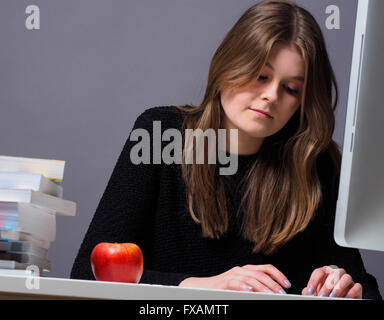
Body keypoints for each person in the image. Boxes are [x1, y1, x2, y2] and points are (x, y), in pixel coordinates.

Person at [70, 0, 382, 299]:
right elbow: (88, 274)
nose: (271, 96)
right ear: (228, 67)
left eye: (291, 89)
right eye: (261, 76)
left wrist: (345, 287)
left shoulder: (314, 163)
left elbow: (366, 289)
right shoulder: (161, 133)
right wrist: (202, 287)